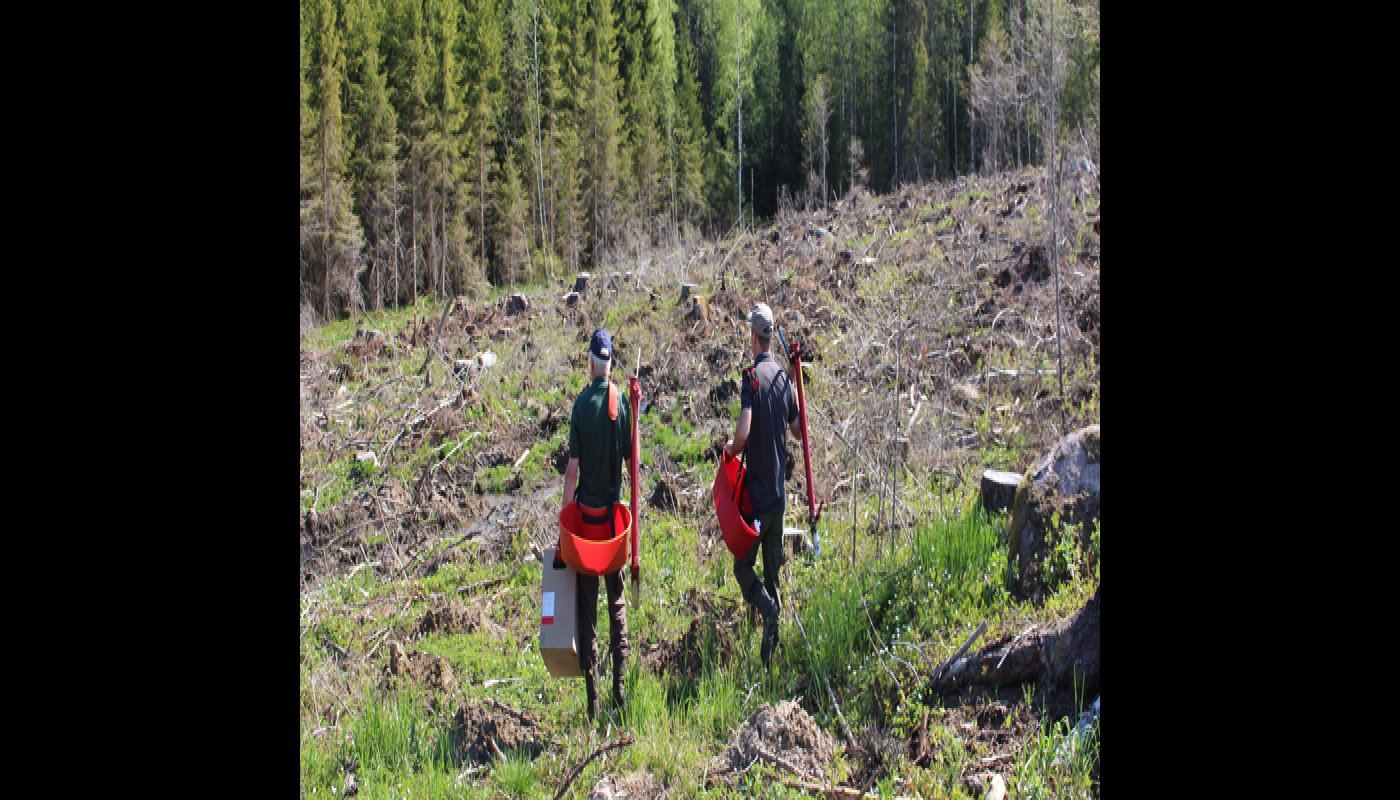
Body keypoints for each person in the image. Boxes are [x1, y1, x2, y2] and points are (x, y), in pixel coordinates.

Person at [559, 327, 633, 719]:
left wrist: (565, 519)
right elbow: (630, 462)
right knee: (616, 601)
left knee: (586, 607)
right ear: (611, 364)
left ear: (591, 362)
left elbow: (572, 472)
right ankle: (620, 684)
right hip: (612, 528)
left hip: (586, 527)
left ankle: (593, 698)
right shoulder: (621, 405)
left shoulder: (580, 405)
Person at [722, 303, 801, 668]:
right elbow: (799, 431)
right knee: (773, 577)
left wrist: (732, 449)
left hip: (756, 500)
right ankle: (770, 664)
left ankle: (768, 612)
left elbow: (744, 429)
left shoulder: (751, 379)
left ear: (753, 337)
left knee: (742, 568)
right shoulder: (785, 379)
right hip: (780, 500)